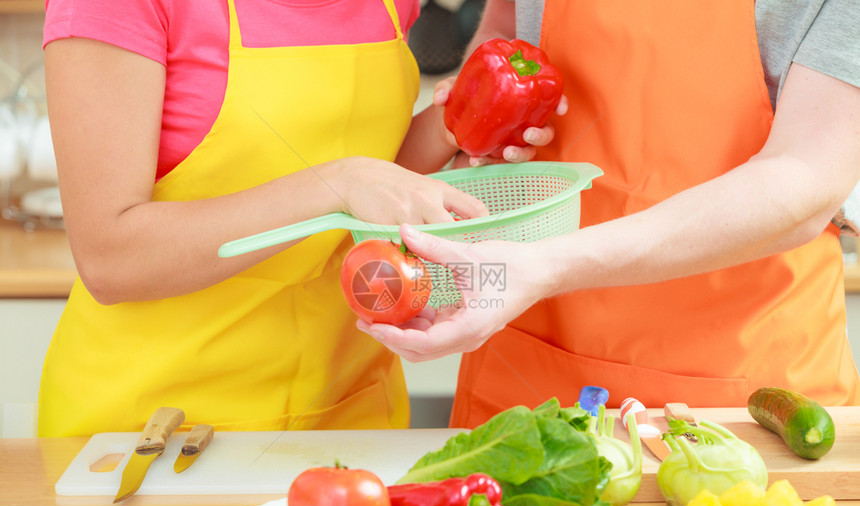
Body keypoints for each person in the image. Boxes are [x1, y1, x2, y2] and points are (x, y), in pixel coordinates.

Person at [36, 0, 560, 437]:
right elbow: (111, 257)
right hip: (156, 430)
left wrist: (461, 126)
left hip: (349, 420)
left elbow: (368, 181)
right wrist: (339, 183)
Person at [359, 0, 860, 428]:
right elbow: (506, 26)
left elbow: (806, 177)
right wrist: (488, 122)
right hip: (527, 366)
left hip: (745, 397)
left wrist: (543, 268)